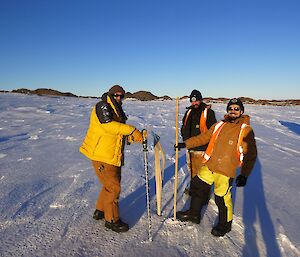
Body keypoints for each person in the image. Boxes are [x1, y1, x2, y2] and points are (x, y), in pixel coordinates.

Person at [175, 98, 257, 237]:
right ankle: (194, 214)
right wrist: (186, 144)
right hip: (210, 164)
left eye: (236, 109)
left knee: (222, 198)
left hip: (225, 170)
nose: (233, 111)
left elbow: (251, 154)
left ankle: (225, 224)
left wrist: (244, 174)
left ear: (241, 111)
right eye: (231, 108)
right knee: (197, 185)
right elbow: (204, 138)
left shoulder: (245, 130)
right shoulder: (219, 125)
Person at [80, 85, 143, 233]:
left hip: (112, 155)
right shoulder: (102, 106)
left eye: (122, 96)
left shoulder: (117, 109)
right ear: (111, 94)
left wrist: (133, 138)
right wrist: (132, 130)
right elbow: (109, 126)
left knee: (109, 185)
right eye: (116, 95)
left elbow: (118, 133)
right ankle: (112, 220)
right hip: (102, 155)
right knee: (114, 188)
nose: (119, 98)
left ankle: (100, 211)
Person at [181, 90, 217, 193]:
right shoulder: (189, 112)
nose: (194, 103)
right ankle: (194, 189)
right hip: (189, 147)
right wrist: (184, 139)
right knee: (192, 170)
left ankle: (203, 194)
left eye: (196, 101)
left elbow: (212, 132)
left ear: (201, 100)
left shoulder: (208, 113)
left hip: (202, 149)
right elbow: (184, 127)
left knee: (202, 173)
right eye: (192, 101)